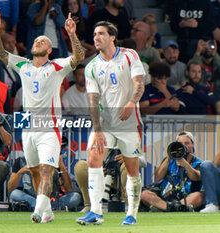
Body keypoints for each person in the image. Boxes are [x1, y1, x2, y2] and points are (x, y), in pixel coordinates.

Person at [0, 9, 84, 223]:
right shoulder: (22, 65)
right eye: (36, 40)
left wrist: (71, 33)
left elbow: (78, 57)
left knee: (46, 170)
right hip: (28, 130)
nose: (38, 41)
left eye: (42, 40)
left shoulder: (56, 66)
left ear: (50, 49)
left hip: (49, 129)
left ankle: (37, 212)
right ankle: (48, 212)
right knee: (34, 172)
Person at [76, 21, 145, 226]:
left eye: (101, 34)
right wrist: (97, 130)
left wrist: (132, 102)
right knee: (93, 159)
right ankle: (96, 212)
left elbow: (139, 83)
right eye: (95, 34)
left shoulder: (129, 55)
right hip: (105, 123)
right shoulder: (91, 67)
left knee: (132, 169)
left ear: (112, 37)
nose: (96, 37)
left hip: (129, 123)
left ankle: (131, 213)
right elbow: (93, 100)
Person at [140, 131, 203, 212]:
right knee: (145, 194)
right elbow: (158, 177)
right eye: (180, 144)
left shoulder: (198, 163)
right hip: (165, 196)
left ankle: (165, 208)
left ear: (192, 144)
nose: (184, 146)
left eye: (187, 143)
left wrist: (186, 165)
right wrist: (169, 157)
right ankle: (173, 208)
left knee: (198, 196)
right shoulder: (168, 160)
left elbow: (196, 177)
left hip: (186, 197)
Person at [74, 149, 147, 213]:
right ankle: (89, 205)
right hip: (101, 178)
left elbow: (143, 162)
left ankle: (127, 205)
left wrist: (129, 158)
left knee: (128, 165)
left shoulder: (127, 141)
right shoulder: (98, 141)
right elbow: (90, 161)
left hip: (120, 179)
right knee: (81, 166)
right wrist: (97, 168)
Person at [8, 156, 81, 211]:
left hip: (52, 199)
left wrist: (62, 166)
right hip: (32, 198)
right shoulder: (21, 161)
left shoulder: (51, 159)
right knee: (15, 193)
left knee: (75, 197)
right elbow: (10, 188)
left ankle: (44, 207)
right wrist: (20, 172)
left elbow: (69, 189)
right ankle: (44, 207)